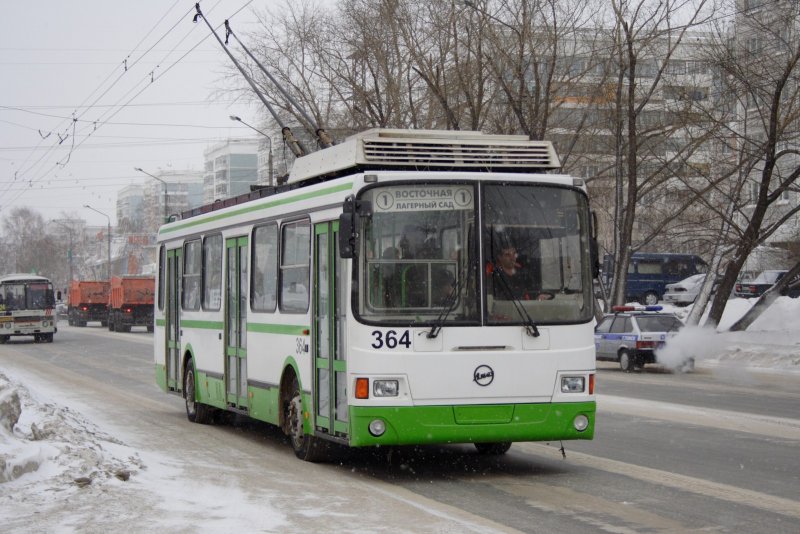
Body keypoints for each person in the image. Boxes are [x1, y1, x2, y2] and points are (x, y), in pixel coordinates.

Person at [487, 245, 553, 301]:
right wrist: (522, 295)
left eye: (514, 254)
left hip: (527, 312)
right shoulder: (494, 276)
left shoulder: (524, 274)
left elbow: (535, 290)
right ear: (500, 257)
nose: (512, 258)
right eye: (507, 255)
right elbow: (497, 298)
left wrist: (540, 295)